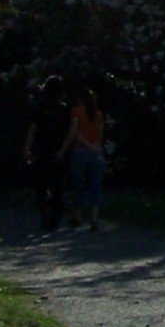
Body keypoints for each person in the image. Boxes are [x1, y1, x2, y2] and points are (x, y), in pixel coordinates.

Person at [23, 75, 74, 232]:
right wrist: (64, 150)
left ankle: (45, 210)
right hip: (58, 150)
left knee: (41, 184)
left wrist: (27, 148)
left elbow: (33, 130)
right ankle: (54, 217)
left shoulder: (39, 108)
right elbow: (69, 133)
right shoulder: (64, 110)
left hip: (42, 150)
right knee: (57, 186)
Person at [67, 83, 107, 231]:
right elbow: (100, 135)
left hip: (81, 151)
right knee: (95, 185)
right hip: (96, 153)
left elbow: (75, 132)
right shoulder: (98, 114)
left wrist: (84, 144)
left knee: (79, 184)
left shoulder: (77, 112)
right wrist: (96, 147)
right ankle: (94, 217)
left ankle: (77, 215)